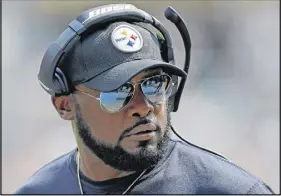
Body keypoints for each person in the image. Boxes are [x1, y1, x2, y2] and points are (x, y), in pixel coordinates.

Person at [15, 3, 274, 194]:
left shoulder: (233, 191)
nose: (142, 107)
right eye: (118, 91)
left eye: (153, 84)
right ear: (65, 105)